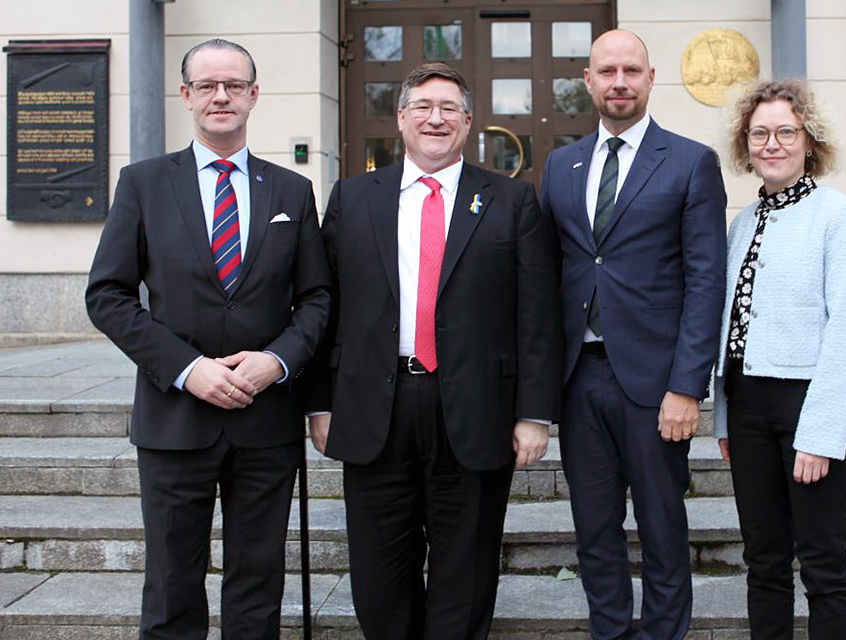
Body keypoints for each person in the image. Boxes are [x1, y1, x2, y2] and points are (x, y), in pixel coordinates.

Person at [301, 62, 562, 640]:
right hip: (375, 408)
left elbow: (536, 315)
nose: (435, 118)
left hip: (474, 412)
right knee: (377, 572)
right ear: (400, 118)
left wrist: (534, 414)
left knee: (465, 570)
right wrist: (320, 403)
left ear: (468, 122)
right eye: (422, 106)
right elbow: (325, 304)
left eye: (449, 108)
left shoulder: (512, 200)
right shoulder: (353, 196)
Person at [85, 39, 330, 640]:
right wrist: (186, 368)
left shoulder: (291, 192)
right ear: (186, 94)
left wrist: (278, 361)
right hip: (174, 419)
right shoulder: (142, 183)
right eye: (207, 85)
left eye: (234, 85)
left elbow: (318, 299)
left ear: (254, 94)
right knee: (171, 586)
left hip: (265, 420)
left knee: (257, 583)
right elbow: (107, 295)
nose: (221, 96)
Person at [540, 29, 727, 640]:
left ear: (650, 80)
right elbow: (550, 274)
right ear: (587, 82)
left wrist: (687, 387)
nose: (619, 82)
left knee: (662, 529)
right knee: (593, 530)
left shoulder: (690, 161)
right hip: (579, 378)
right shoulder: (561, 165)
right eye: (607, 71)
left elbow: (705, 281)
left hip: (654, 384)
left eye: (632, 71)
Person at [713, 78, 846, 640]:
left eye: (786, 131)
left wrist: (821, 434)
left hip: (810, 407)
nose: (772, 143)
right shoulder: (743, 224)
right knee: (763, 562)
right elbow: (731, 330)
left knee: (824, 566)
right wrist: (724, 418)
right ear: (746, 143)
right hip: (749, 410)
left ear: (810, 142)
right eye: (760, 133)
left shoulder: (840, 216)